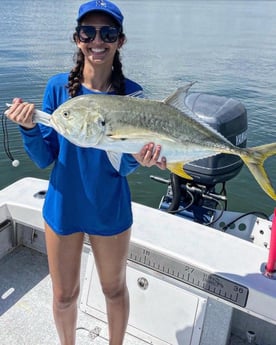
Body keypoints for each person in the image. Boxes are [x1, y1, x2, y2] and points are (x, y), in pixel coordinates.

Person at [5, 1, 166, 345]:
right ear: (77, 38)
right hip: (64, 207)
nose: (97, 40)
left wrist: (141, 157)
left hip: (110, 209)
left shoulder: (133, 95)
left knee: (113, 289)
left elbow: (123, 165)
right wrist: (29, 128)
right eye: (88, 32)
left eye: (107, 32)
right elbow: (45, 158)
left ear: (120, 41)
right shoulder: (57, 88)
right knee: (64, 296)